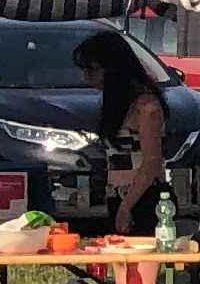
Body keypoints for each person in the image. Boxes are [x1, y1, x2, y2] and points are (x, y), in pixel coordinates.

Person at [72, 31, 174, 226]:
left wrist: (126, 206)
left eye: (91, 69)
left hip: (145, 199)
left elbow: (151, 161)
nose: (87, 77)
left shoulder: (146, 107)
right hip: (118, 196)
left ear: (112, 68)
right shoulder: (118, 105)